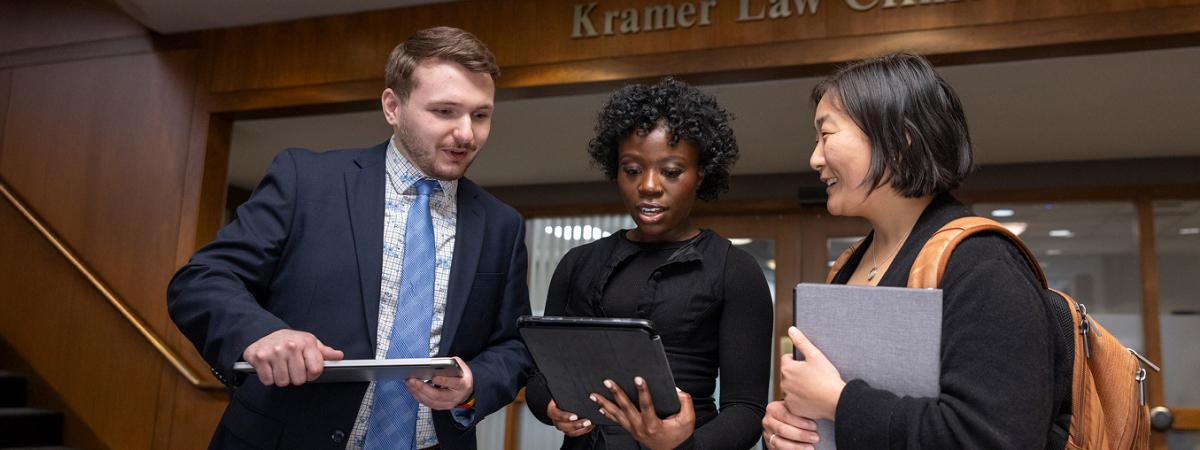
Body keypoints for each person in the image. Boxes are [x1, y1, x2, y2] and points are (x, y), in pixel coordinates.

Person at [167, 26, 531, 450]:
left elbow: (513, 345)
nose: (467, 134)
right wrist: (260, 333)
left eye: (480, 115)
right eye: (446, 111)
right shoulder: (306, 181)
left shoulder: (501, 224)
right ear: (393, 106)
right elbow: (201, 280)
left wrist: (474, 384)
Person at [761, 52, 1058, 450]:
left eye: (826, 134)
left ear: (901, 141)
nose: (814, 158)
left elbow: (997, 438)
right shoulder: (850, 265)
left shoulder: (982, 263)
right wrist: (788, 431)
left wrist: (838, 403)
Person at [524, 77, 773, 450]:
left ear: (700, 174)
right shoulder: (578, 264)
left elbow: (746, 411)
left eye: (671, 171)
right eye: (632, 169)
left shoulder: (734, 270)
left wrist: (680, 447)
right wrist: (550, 407)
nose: (649, 186)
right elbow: (539, 376)